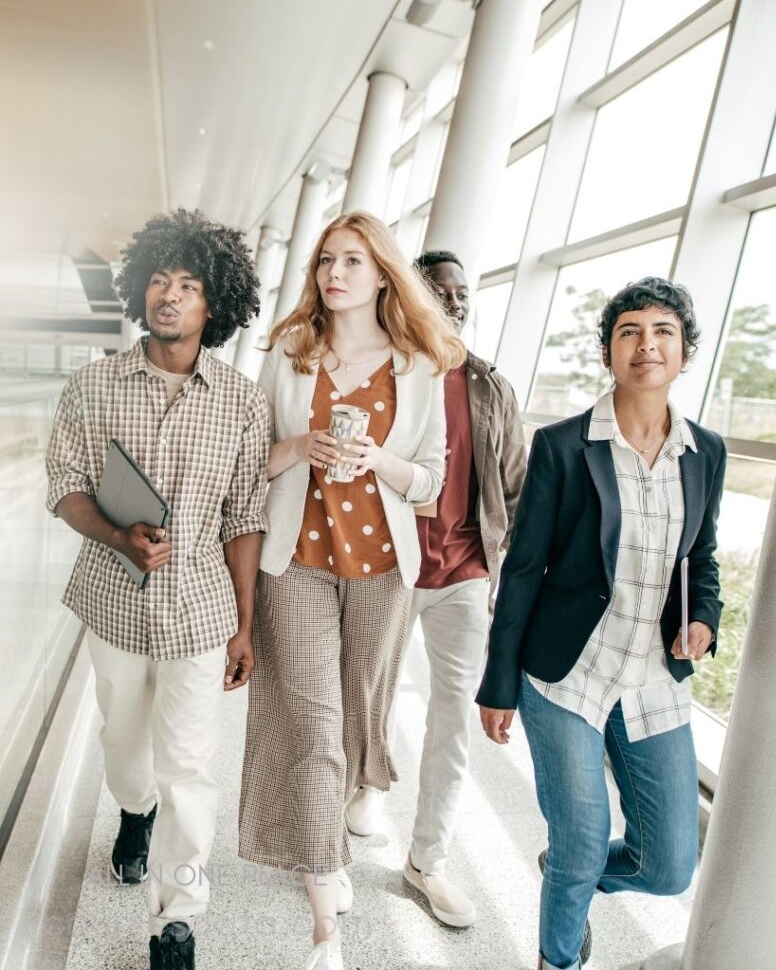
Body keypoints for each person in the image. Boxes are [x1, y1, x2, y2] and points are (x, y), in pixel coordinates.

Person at [476, 277, 727, 970]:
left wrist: (701, 619)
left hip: (653, 680)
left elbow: (700, 558)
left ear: (685, 352)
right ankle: (559, 958)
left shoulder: (707, 452)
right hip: (566, 674)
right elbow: (522, 571)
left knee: (670, 866)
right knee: (585, 839)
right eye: (629, 332)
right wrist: (497, 684)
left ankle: (570, 871)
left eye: (662, 332)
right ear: (609, 353)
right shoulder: (562, 446)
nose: (646, 344)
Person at [238, 211, 464, 970]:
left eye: (352, 262)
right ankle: (324, 923)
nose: (335, 274)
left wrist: (378, 460)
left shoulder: (421, 367)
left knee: (354, 719)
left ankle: (331, 832)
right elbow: (251, 466)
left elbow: (431, 483)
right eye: (326, 261)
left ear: (382, 275)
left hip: (381, 572)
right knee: (310, 722)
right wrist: (302, 444)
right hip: (294, 563)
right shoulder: (290, 354)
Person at [45, 209, 270, 970]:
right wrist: (117, 536)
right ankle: (132, 813)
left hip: (201, 612)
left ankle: (178, 918)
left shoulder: (242, 400)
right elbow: (67, 487)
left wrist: (244, 625)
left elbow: (245, 516)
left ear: (217, 306)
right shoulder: (92, 385)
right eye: (159, 280)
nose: (168, 295)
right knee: (125, 753)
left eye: (189, 284)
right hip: (112, 603)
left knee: (190, 769)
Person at [357, 249, 526, 927]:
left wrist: (498, 560)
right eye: (439, 290)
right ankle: (365, 785)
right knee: (364, 696)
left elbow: (512, 486)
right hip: (389, 565)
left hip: (463, 573)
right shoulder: (381, 372)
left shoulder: (490, 386)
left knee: (452, 718)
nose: (453, 302)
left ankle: (427, 860)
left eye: (461, 293)